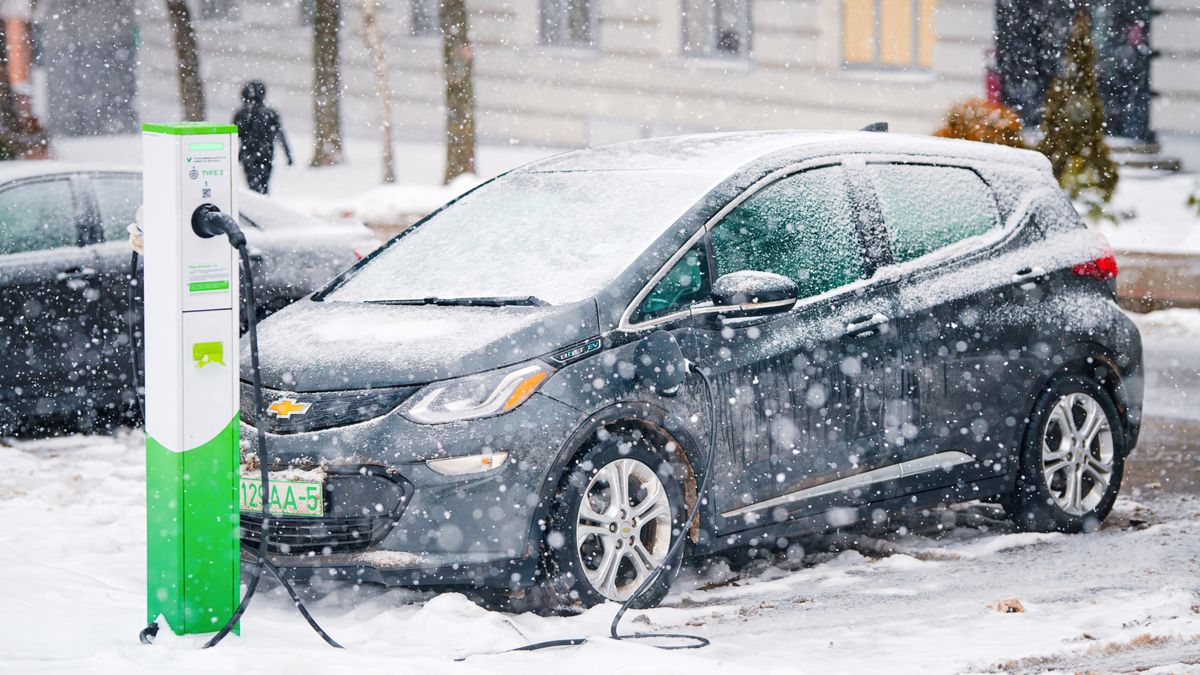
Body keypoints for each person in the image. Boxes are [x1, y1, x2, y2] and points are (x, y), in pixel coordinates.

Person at [233, 81, 292, 194]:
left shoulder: (240, 114)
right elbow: (281, 134)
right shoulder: (270, 113)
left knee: (252, 187)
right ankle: (262, 204)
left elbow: (233, 137)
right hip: (266, 154)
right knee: (264, 185)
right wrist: (288, 155)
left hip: (247, 154)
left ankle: (256, 205)